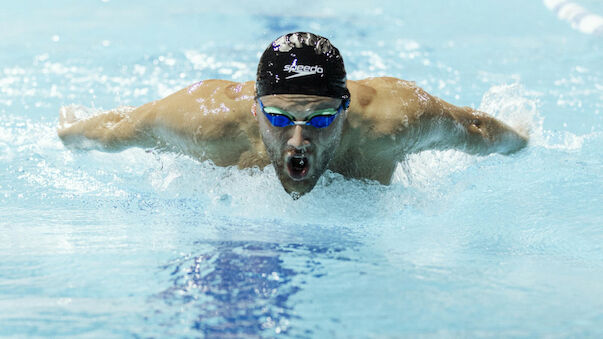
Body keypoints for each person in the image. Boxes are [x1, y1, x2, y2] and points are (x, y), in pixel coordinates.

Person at [58, 32, 528, 197]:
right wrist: (70, 133)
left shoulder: (392, 123)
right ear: (256, 108)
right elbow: (119, 130)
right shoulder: (206, 120)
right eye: (280, 118)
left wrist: (523, 144)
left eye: (321, 119)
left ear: (345, 110)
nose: (298, 140)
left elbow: (476, 128)